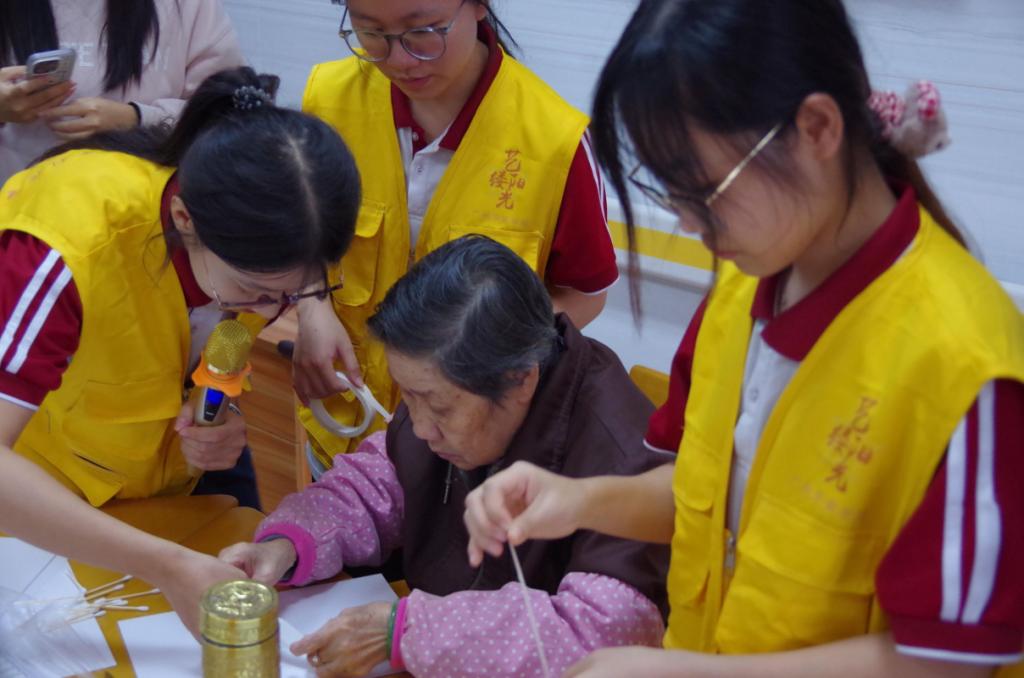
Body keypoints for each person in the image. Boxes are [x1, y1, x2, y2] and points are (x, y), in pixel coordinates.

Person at [462, 1, 1024, 676]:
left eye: (704, 190)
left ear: (817, 128)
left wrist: (687, 674)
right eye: (668, 192)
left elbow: (947, 661)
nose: (690, 225)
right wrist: (578, 500)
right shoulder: (741, 287)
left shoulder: (968, 367)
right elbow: (706, 498)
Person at [0, 66, 361, 634]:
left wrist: (218, 406)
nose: (275, 310)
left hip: (161, 499)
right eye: (258, 291)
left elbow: (225, 336)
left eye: (299, 294)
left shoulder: (254, 244)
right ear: (184, 219)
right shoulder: (65, 244)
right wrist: (165, 566)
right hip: (39, 521)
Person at [220, 236, 671, 678]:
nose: (420, 427)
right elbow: (382, 481)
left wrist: (407, 632)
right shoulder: (453, 389)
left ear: (521, 379)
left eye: (436, 407)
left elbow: (599, 637)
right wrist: (288, 545)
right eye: (408, 397)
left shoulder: (627, 464)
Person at [291, 0, 620, 471]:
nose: (400, 60)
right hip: (344, 425)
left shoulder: (553, 141)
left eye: (423, 31)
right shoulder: (327, 99)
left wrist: (479, 359)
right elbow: (303, 232)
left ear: (479, 6)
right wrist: (311, 307)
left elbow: (584, 294)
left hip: (464, 456)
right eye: (372, 33)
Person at [0, 0, 244, 184]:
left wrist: (137, 119)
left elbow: (232, 110)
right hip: (20, 216)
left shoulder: (187, 7)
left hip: (143, 217)